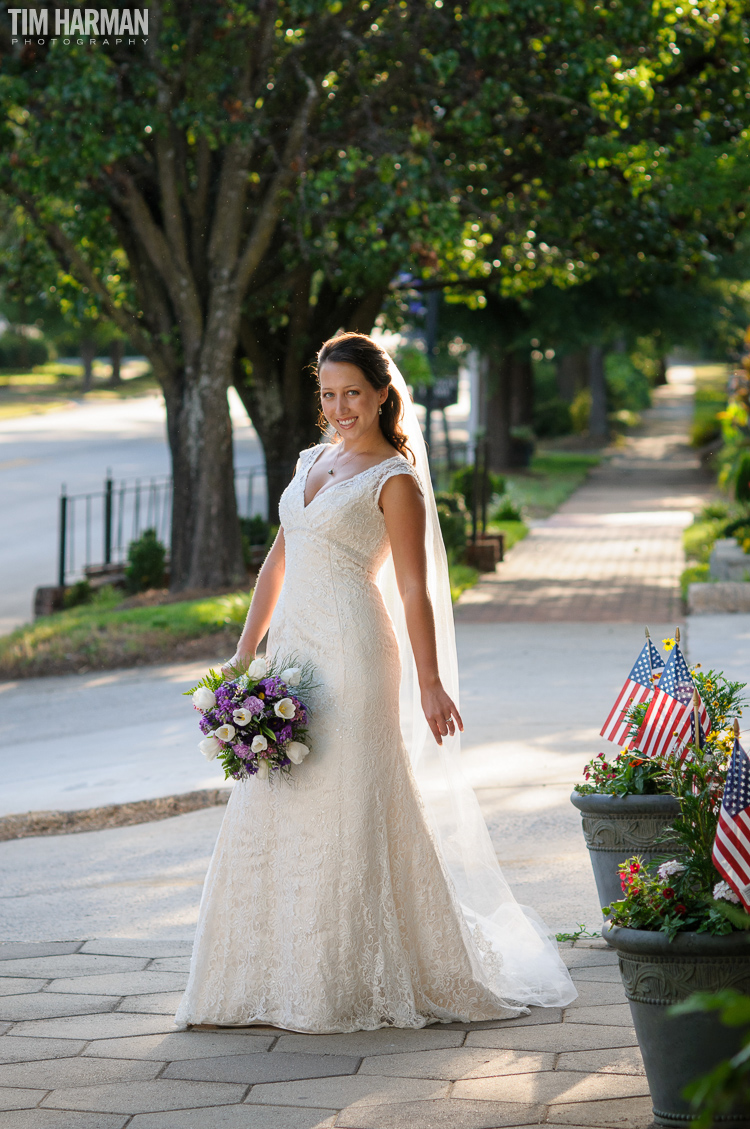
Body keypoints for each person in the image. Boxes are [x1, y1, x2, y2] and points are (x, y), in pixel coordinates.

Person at [175, 331, 575, 1033]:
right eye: (328, 395)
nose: (339, 408)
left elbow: (416, 590)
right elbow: (277, 564)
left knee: (350, 802)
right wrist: (244, 655)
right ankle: (266, 975)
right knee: (277, 800)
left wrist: (430, 681)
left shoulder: (395, 477)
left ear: (382, 392)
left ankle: (345, 981)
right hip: (292, 653)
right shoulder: (311, 460)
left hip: (355, 655)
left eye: (352, 393)